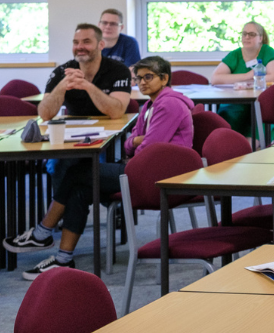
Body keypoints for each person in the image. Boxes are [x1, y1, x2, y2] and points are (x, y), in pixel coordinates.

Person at [3, 56, 194, 280]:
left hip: (160, 175)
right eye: (139, 78)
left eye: (148, 77)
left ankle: (42, 232)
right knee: (80, 188)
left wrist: (135, 143)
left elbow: (149, 147)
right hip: (144, 168)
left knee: (78, 173)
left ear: (164, 79)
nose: (142, 82)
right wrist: (134, 142)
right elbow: (128, 141)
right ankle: (63, 259)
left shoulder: (169, 103)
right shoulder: (151, 104)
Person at [38, 23, 132, 194]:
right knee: (57, 164)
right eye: (76, 42)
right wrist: (62, 86)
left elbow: (117, 111)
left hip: (109, 137)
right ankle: (65, 217)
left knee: (98, 167)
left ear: (101, 45)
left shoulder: (119, 70)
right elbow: (44, 114)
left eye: (86, 42)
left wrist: (87, 86)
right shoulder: (62, 72)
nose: (80, 47)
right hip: (72, 137)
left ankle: (82, 210)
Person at [211, 21, 274, 136]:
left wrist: (241, 80)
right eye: (244, 34)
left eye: (252, 34)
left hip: (259, 101)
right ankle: (230, 144)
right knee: (228, 114)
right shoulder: (235, 55)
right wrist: (247, 76)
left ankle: (251, 147)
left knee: (261, 113)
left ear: (260, 38)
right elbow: (215, 78)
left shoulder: (267, 51)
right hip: (236, 102)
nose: (247, 37)